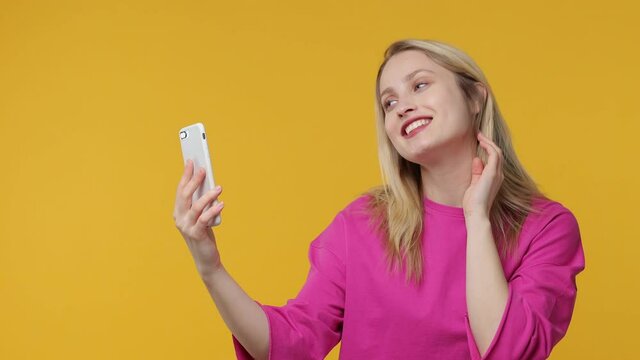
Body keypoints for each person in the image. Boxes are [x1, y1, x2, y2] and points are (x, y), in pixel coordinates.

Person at [172, 39, 586, 360]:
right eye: (389, 103)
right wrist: (210, 267)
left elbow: (509, 352)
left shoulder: (547, 228)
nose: (403, 106)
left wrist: (476, 218)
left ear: (475, 97)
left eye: (419, 85)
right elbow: (290, 344)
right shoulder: (361, 224)